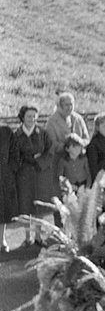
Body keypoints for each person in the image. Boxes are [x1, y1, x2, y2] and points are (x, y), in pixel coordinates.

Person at [10, 105, 54, 244]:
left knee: (39, 205)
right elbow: (13, 155)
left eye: (34, 116)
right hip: (23, 174)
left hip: (39, 174)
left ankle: (39, 237)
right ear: (22, 117)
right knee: (25, 204)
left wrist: (39, 161)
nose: (32, 119)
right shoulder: (16, 135)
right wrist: (25, 159)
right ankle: (28, 237)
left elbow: (50, 151)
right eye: (29, 116)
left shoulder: (43, 133)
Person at [45, 92, 88, 172]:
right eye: (66, 105)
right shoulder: (51, 122)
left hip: (79, 160)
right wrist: (69, 149)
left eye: (71, 104)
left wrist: (78, 147)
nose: (70, 107)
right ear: (59, 106)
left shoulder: (78, 118)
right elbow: (51, 144)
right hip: (60, 161)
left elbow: (86, 139)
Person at [0, 119, 15, 253]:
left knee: (2, 209)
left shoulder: (6, 132)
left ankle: (1, 239)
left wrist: (9, 171)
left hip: (3, 176)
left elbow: (14, 153)